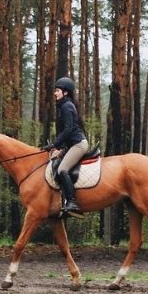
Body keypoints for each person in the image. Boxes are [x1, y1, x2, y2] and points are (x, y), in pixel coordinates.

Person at [49, 77, 89, 218]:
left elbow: (68, 130)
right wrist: (59, 148)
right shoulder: (64, 105)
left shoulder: (66, 106)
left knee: (62, 169)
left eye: (57, 91)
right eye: (55, 91)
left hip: (78, 144)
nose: (55, 93)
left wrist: (55, 144)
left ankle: (72, 202)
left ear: (65, 92)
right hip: (72, 145)